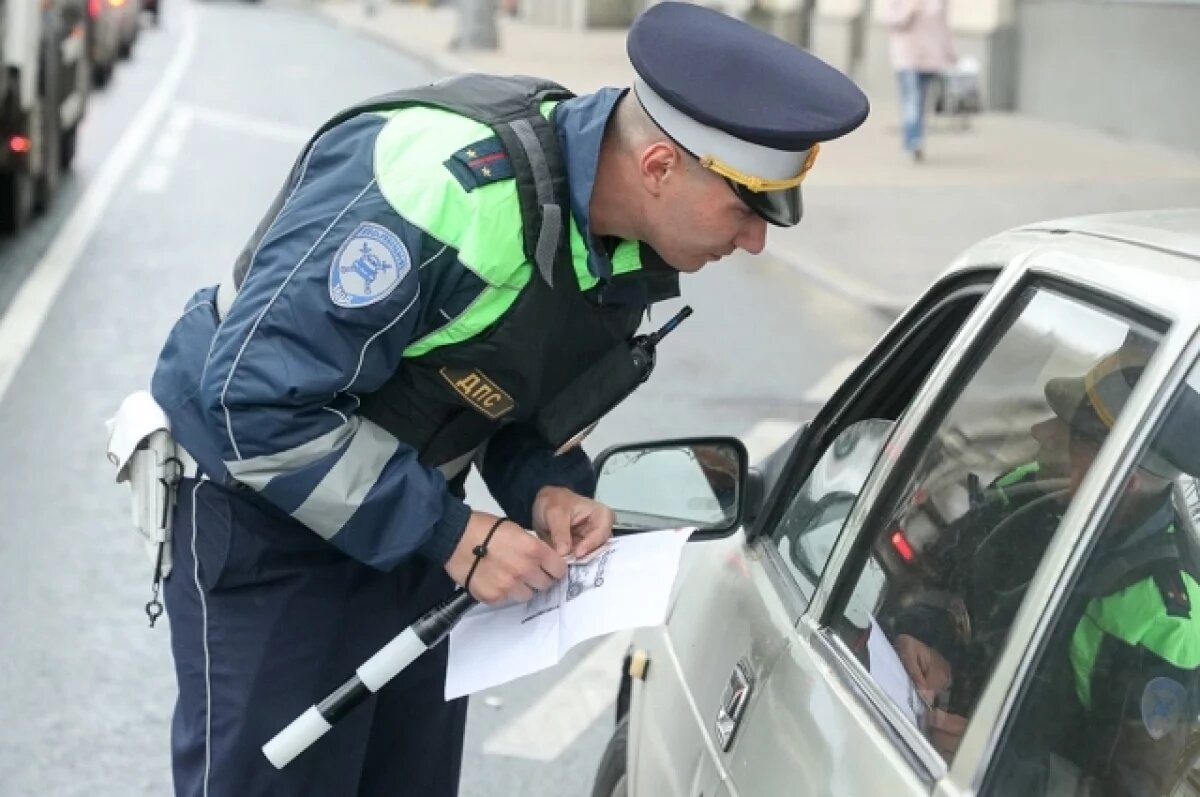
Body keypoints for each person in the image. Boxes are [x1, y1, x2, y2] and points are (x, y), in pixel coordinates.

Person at [143, 3, 870, 795]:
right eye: (744, 209)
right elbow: (252, 401)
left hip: (415, 524)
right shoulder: (439, 186)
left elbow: (502, 400)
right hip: (270, 521)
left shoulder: (627, 240)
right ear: (659, 166)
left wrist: (545, 488)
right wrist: (456, 535)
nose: (756, 241)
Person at [891, 346, 1200, 794]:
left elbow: (1131, 790)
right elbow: (942, 582)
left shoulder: (1168, 622)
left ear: (1118, 477)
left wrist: (996, 768)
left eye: (1073, 434)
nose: (1042, 432)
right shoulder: (1028, 494)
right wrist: (926, 635)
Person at [883, 0, 956, 162]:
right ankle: (913, 141)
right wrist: (910, 9)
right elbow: (892, 21)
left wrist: (950, 52)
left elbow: (944, 26)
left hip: (931, 57)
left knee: (922, 102)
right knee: (912, 99)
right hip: (906, 57)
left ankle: (916, 138)